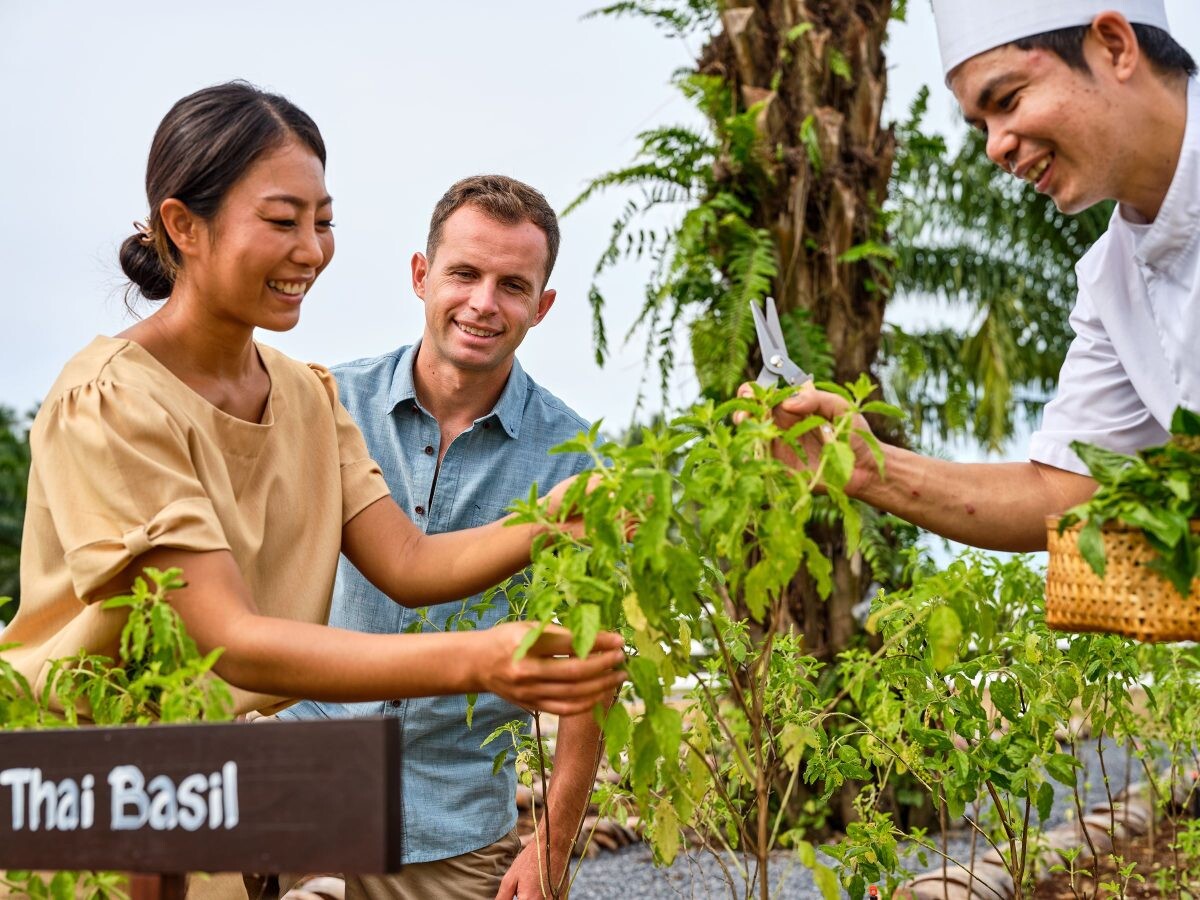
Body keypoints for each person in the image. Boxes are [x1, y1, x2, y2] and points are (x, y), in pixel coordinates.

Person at [2, 82, 625, 730]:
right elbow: (230, 640)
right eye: (281, 221)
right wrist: (478, 658)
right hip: (75, 782)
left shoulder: (307, 395)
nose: (311, 251)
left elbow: (407, 563)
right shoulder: (112, 401)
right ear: (184, 225)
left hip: (204, 779)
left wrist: (554, 519)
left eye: (322, 222)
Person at [761, 1, 1199, 550]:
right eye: (982, 125)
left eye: (1009, 100)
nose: (995, 146)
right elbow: (1064, 490)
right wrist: (865, 467)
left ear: (1114, 45)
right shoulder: (1113, 281)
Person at [278, 176, 598, 900]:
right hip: (296, 792)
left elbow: (588, 672)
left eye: (512, 284)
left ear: (541, 307)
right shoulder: (324, 403)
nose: (484, 303)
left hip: (451, 826)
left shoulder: (574, 462)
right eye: (464, 273)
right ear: (421, 276)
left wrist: (552, 843)